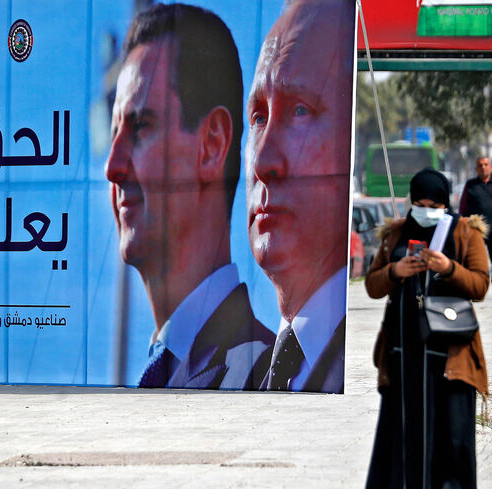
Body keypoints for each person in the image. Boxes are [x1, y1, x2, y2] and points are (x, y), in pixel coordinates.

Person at [105, 3, 274, 390]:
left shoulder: (265, 374)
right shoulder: (167, 368)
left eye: (140, 127)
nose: (111, 166)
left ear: (212, 144)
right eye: (115, 133)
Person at [245, 0, 354, 393]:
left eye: (300, 111)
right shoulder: (252, 365)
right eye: (258, 117)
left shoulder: (373, 361)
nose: (263, 161)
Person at [364, 168, 489, 489]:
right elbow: (373, 286)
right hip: (403, 356)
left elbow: (480, 285)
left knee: (450, 443)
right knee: (400, 440)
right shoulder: (396, 233)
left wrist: (448, 268)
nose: (427, 211)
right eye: (420, 203)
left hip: (449, 360)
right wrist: (396, 270)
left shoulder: (464, 232)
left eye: (434, 205)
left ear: (445, 203)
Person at [459, 156, 492, 299]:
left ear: (491, 167)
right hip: (475, 230)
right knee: (474, 260)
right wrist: (461, 221)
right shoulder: (470, 185)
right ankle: (476, 287)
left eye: (486, 164)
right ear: (476, 169)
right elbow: (463, 206)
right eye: (480, 165)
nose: (483, 167)